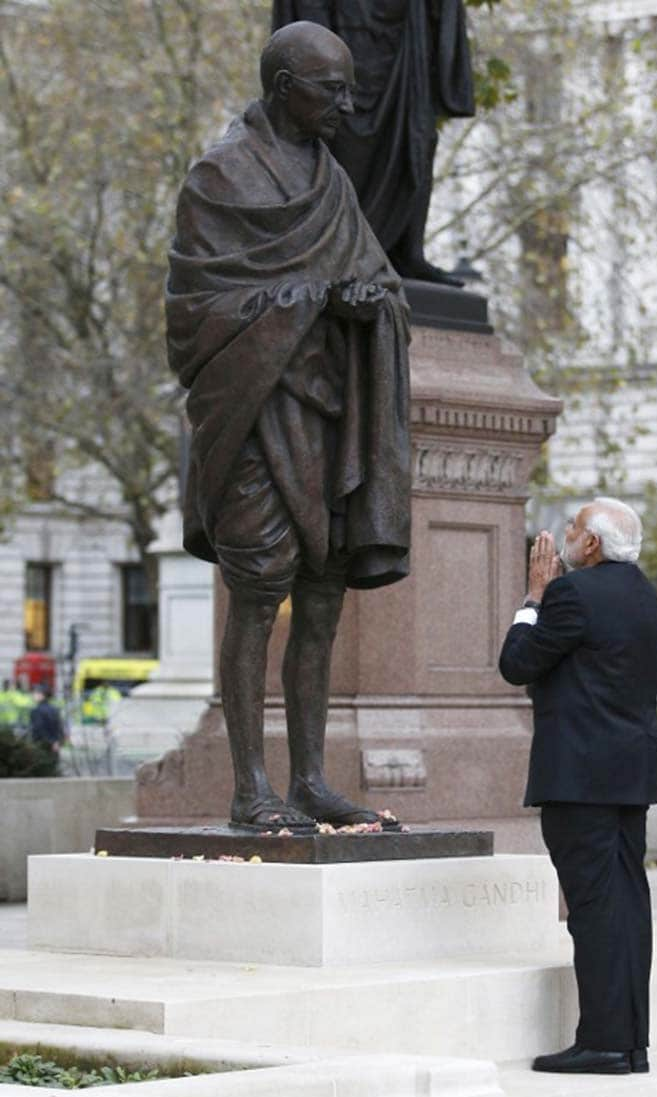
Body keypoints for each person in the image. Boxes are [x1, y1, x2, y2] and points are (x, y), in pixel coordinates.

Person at [166, 23, 411, 832]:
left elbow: (375, 278)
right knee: (256, 592)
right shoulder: (220, 175)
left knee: (321, 600)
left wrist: (372, 306)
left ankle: (308, 778)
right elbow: (194, 315)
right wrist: (310, 299)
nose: (349, 101)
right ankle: (249, 786)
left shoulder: (332, 180)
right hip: (254, 420)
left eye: (348, 86)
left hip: (325, 417)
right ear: (282, 88)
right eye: (330, 88)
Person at [499, 498, 657, 1076]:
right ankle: (630, 1042)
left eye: (573, 526)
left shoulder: (572, 594)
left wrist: (533, 598)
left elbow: (516, 662)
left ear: (591, 544)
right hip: (629, 776)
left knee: (594, 910)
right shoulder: (644, 594)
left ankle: (602, 1043)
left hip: (580, 780)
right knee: (627, 906)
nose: (565, 535)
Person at [271, 0, 475, 286]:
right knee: (344, 138)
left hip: (407, 40)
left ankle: (407, 252)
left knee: (417, 138)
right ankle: (339, 248)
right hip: (347, 33)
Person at [29, 686, 65, 754]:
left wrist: (51, 742)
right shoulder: (54, 709)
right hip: (55, 746)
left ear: (42, 695)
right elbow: (59, 727)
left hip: (41, 746)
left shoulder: (36, 711)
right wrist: (57, 742)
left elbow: (39, 729)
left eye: (35, 693)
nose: (33, 695)